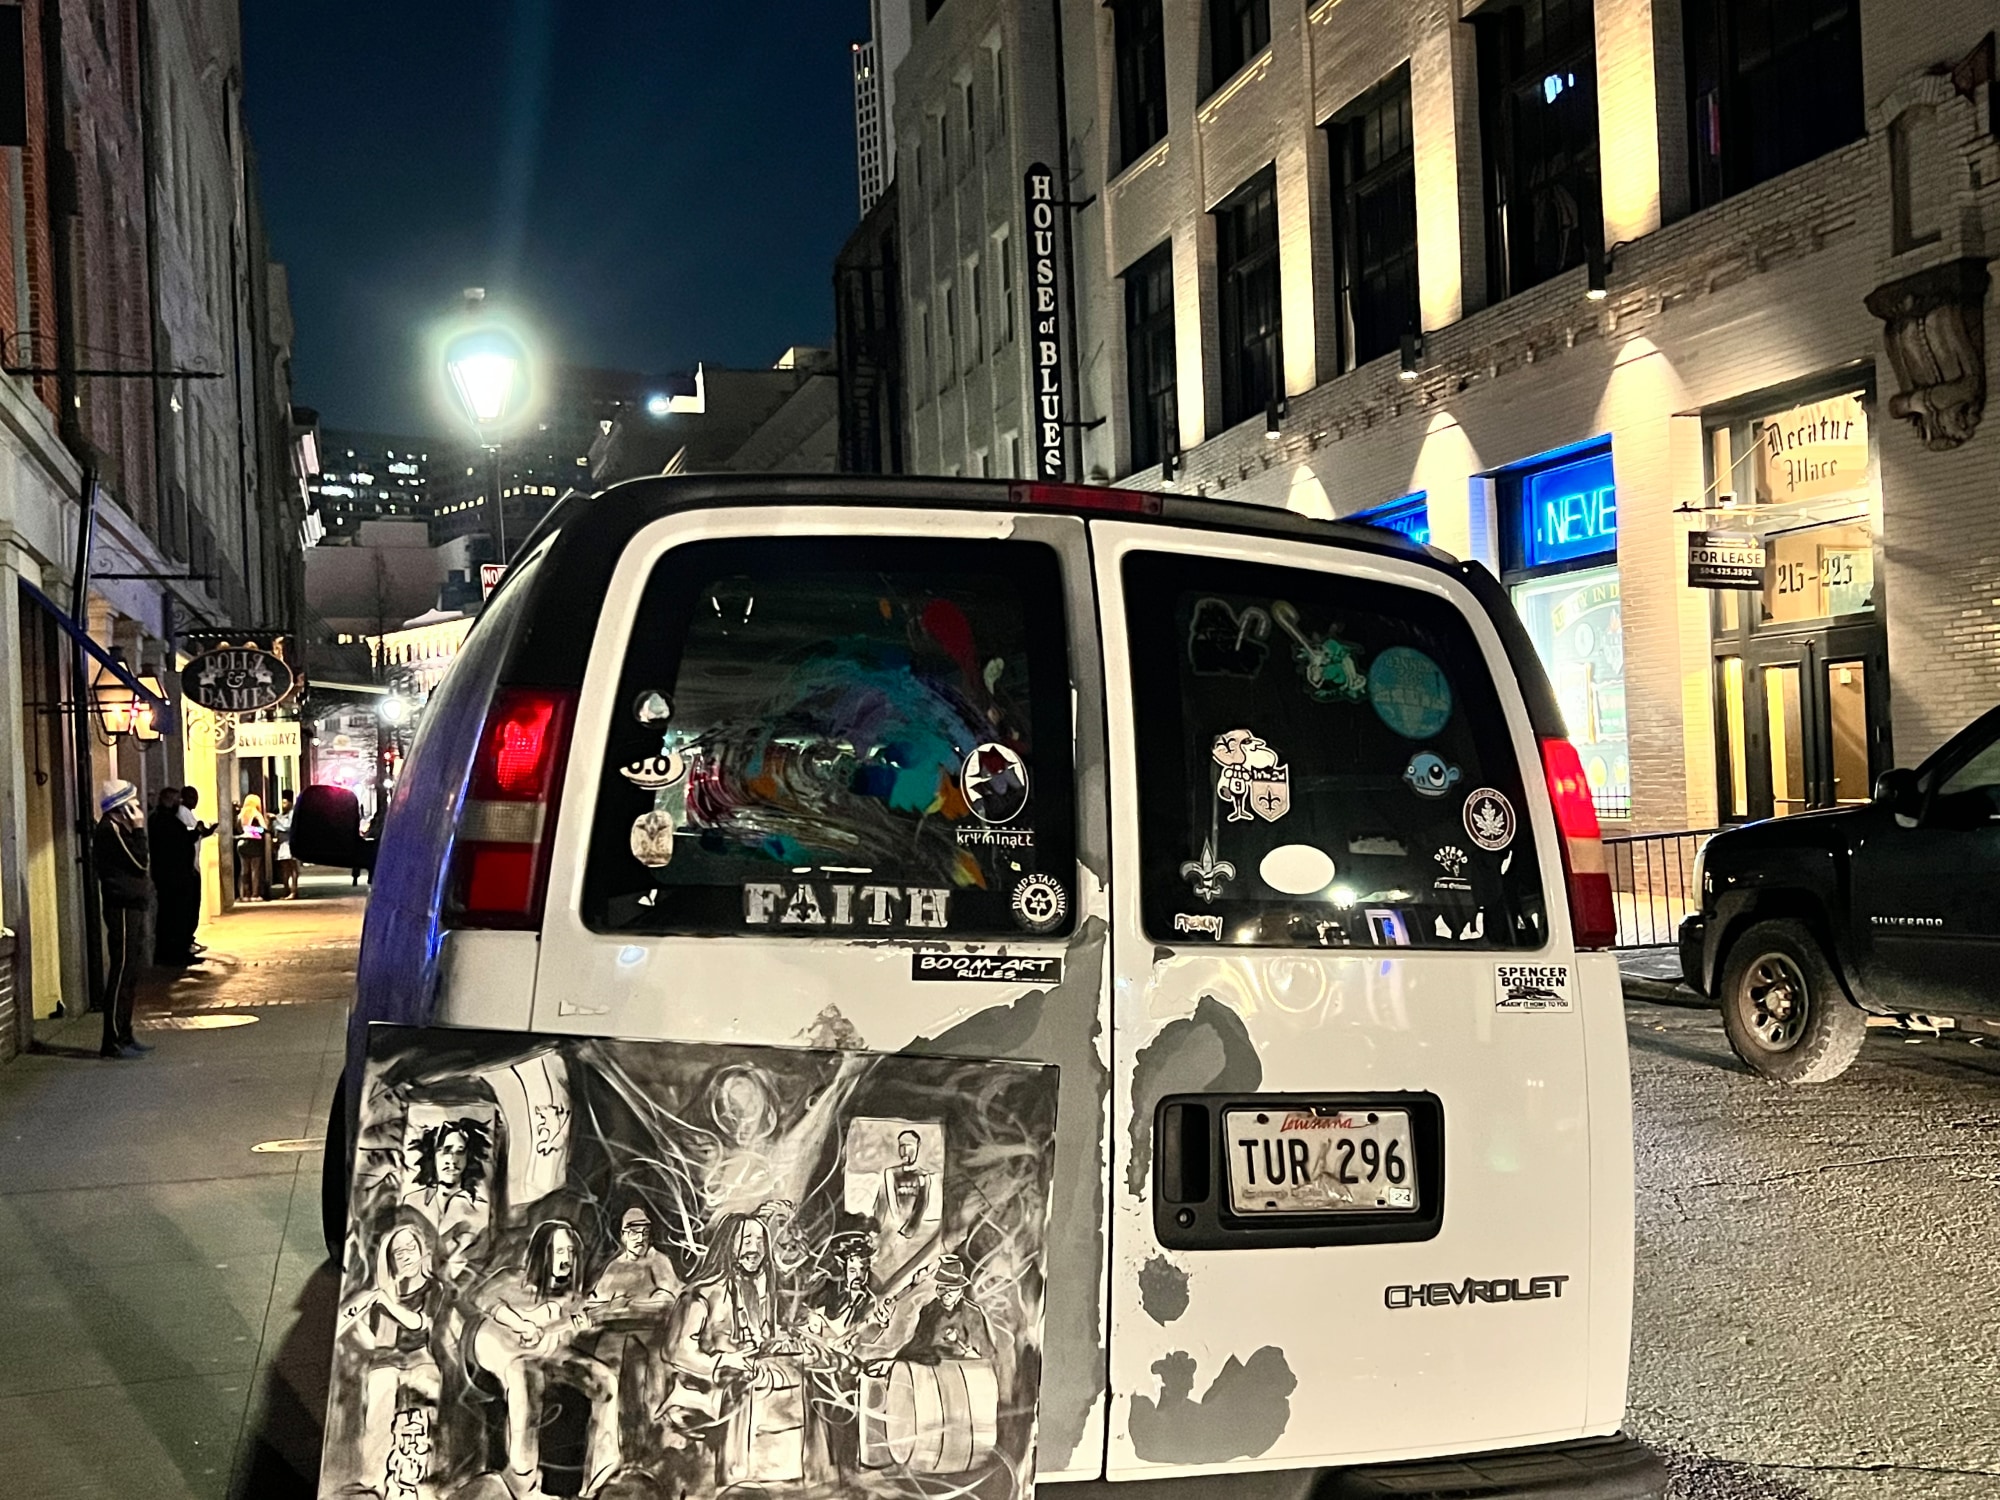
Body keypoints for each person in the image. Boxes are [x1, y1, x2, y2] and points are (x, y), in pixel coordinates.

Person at [93, 780, 151, 1059]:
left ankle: (125, 1033)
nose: (138, 809)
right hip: (122, 906)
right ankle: (112, 1040)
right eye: (133, 804)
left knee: (131, 972)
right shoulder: (111, 830)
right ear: (122, 808)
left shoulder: (119, 829)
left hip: (133, 904)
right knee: (121, 970)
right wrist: (139, 829)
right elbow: (140, 862)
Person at [896, 1254, 991, 1364]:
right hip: (933, 1366)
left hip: (963, 1367)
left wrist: (968, 1353)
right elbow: (916, 1346)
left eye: (952, 1289)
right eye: (942, 1288)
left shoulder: (972, 1313)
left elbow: (985, 1353)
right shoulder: (929, 1310)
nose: (946, 1294)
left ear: (961, 1290)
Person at [147, 786, 197, 966]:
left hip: (172, 875)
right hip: (173, 877)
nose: (180, 803)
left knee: (174, 915)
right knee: (174, 916)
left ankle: (177, 951)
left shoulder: (163, 820)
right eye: (177, 800)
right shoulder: (164, 821)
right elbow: (178, 844)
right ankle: (174, 954)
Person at [179, 787, 214, 955]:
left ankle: (190, 939)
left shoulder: (189, 814)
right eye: (191, 797)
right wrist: (198, 830)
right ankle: (186, 943)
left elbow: (195, 835)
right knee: (189, 908)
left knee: (194, 906)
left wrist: (206, 832)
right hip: (188, 867)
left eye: (196, 797)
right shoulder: (182, 813)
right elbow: (188, 837)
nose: (195, 800)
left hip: (194, 865)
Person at [236, 793, 267, 900]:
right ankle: (255, 894)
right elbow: (264, 829)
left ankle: (244, 894)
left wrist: (245, 830)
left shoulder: (240, 815)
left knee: (244, 871)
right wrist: (252, 830)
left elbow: (237, 829)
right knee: (255, 870)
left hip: (241, 844)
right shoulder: (256, 814)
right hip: (255, 844)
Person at [272, 791, 298, 898]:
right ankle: (286, 890)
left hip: (291, 844)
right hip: (282, 845)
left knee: (293, 869)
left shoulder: (293, 814)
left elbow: (288, 827)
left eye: (285, 803)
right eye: (282, 803)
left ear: (291, 803)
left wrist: (276, 819)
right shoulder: (281, 815)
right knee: (284, 869)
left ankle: (294, 891)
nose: (283, 805)